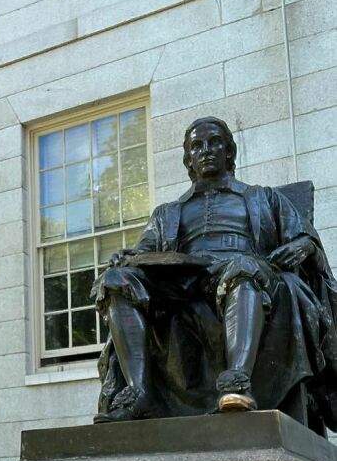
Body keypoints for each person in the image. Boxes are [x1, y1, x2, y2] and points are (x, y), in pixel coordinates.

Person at [92, 116, 337, 431]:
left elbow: (306, 240)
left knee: (242, 267)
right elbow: (144, 253)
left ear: (229, 152)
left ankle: (237, 383)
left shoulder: (264, 197)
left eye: (214, 142)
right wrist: (127, 259)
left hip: (246, 269)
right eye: (197, 146)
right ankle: (138, 392)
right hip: (183, 278)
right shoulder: (167, 213)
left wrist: (304, 245)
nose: (206, 150)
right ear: (188, 159)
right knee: (115, 280)